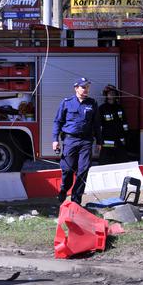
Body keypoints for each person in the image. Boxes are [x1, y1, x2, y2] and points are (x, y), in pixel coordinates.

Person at [52, 77, 102, 205]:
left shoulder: (92, 103)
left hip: (86, 141)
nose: (86, 89)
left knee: (83, 170)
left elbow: (96, 124)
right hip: (70, 140)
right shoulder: (66, 102)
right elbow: (58, 121)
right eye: (83, 87)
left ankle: (76, 200)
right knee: (68, 170)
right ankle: (64, 189)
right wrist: (55, 139)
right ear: (76, 88)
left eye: (87, 87)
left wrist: (99, 142)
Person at [98, 84, 129, 165]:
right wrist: (99, 141)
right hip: (107, 142)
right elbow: (98, 126)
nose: (111, 94)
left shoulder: (120, 108)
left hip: (119, 140)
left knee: (122, 164)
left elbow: (124, 123)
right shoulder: (102, 109)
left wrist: (125, 136)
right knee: (105, 165)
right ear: (106, 95)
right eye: (109, 93)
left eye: (113, 93)